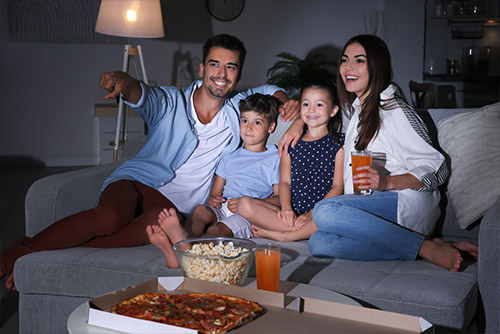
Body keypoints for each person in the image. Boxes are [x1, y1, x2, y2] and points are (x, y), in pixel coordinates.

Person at [0, 34, 301, 290]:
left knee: (135, 234)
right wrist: (125, 81)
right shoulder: (172, 101)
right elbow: (144, 94)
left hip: (171, 209)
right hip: (136, 183)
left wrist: (285, 100)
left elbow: (266, 90)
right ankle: (15, 255)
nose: (221, 73)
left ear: (237, 75)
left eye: (230, 67)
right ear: (201, 68)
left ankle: (38, 259)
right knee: (110, 218)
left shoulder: (239, 108)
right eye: (214, 64)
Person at [307, 34, 478, 272]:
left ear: (376, 67)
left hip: (403, 204)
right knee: (319, 242)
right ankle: (429, 245)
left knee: (325, 210)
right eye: (345, 60)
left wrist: (386, 182)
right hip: (375, 211)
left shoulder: (394, 110)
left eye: (359, 61)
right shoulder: (358, 111)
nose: (348, 67)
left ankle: (424, 248)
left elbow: (438, 169)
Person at [147, 93, 282, 268]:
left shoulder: (274, 157)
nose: (248, 128)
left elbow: (280, 199)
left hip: (248, 215)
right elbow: (215, 194)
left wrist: (249, 202)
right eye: (244, 121)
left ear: (271, 127)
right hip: (224, 206)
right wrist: (213, 200)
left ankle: (180, 252)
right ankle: (181, 239)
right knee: (201, 211)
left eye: (257, 122)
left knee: (216, 231)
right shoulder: (229, 156)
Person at [237, 80, 345, 242]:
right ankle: (301, 230)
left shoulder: (338, 144)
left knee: (334, 215)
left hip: (321, 211)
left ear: (333, 110)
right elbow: (285, 182)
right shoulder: (291, 142)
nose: (312, 110)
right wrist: (287, 210)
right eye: (306, 104)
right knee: (243, 204)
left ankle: (285, 235)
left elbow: (337, 187)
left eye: (320, 105)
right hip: (291, 212)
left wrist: (311, 214)